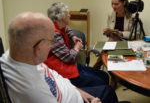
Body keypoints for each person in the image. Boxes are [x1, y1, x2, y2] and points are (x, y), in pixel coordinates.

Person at [0, 12, 129, 103]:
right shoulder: (33, 91)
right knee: (108, 91)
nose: (52, 45)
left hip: (74, 92)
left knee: (105, 87)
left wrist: (80, 92)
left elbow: (55, 76)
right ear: (38, 47)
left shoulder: (19, 54)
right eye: (51, 41)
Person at [44, 2, 109, 88]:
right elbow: (69, 58)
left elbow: (67, 28)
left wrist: (73, 36)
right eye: (68, 14)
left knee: (104, 76)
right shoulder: (53, 34)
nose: (70, 16)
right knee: (101, 82)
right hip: (62, 71)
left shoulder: (59, 25)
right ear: (62, 17)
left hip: (70, 65)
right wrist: (77, 48)